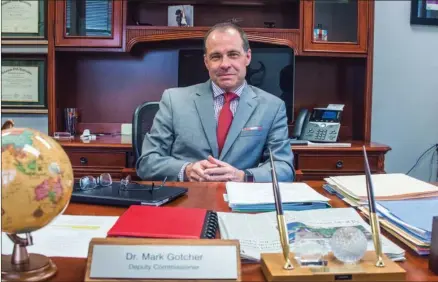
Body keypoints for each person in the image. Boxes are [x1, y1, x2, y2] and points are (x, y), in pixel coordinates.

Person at [136, 22, 295, 182]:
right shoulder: (173, 100)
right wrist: (186, 170)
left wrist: (242, 176)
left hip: (241, 201)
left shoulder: (272, 107)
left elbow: (284, 168)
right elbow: (147, 162)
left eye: (233, 54)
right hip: (188, 199)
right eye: (216, 56)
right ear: (206, 62)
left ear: (247, 57)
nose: (225, 64)